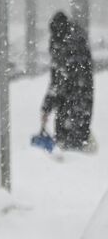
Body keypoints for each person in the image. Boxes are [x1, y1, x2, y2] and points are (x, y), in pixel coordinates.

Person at [41, 11, 96, 151]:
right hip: (76, 96)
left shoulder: (71, 44)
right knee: (70, 133)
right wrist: (48, 105)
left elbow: (61, 78)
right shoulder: (67, 40)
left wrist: (49, 104)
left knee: (72, 135)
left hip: (77, 96)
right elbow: (58, 78)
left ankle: (73, 157)